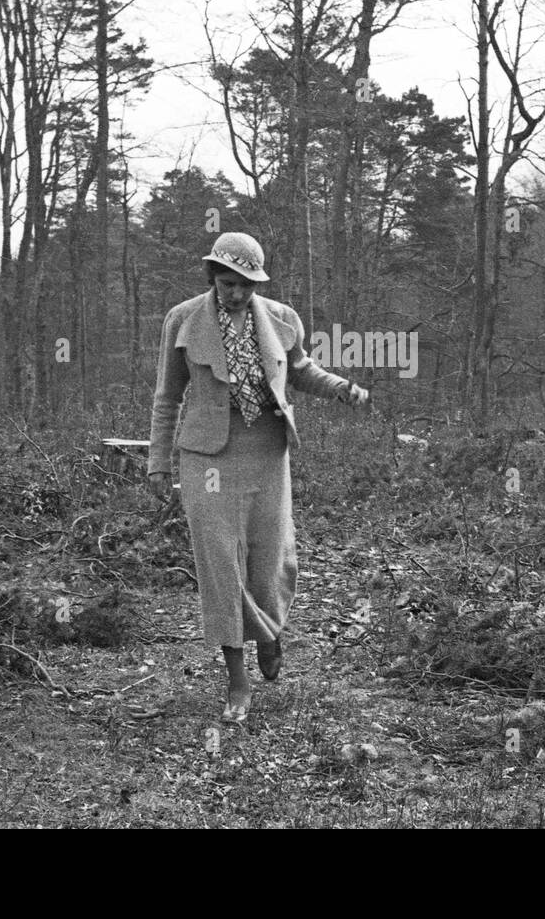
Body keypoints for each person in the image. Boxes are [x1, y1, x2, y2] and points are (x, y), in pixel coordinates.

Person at [147, 232, 369, 723]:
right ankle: (237, 679)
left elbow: (301, 370)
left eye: (246, 286)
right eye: (228, 284)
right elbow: (168, 397)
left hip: (267, 452)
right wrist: (157, 462)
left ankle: (268, 631)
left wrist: (341, 389)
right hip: (207, 458)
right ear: (212, 277)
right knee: (221, 563)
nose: (236, 294)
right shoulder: (182, 320)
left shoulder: (282, 319)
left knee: (271, 557)